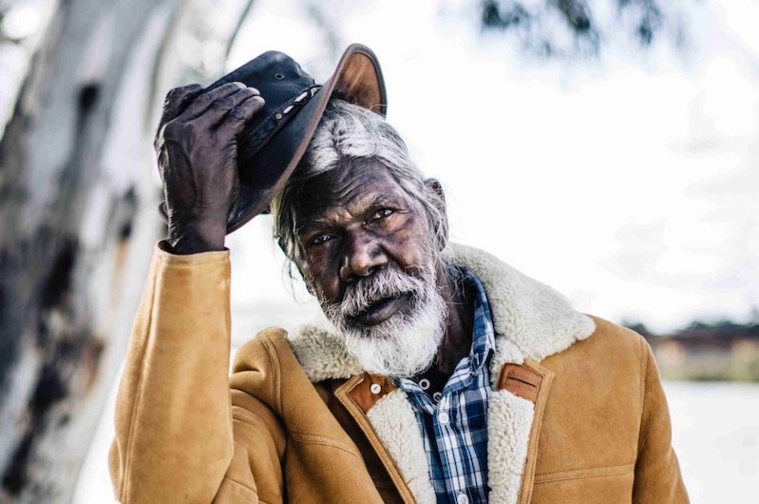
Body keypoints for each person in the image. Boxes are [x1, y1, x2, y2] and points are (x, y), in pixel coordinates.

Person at [109, 44, 689, 504]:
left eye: (382, 214)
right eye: (321, 238)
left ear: (435, 211)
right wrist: (194, 234)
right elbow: (162, 495)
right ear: (301, 269)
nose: (360, 257)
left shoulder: (617, 366)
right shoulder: (278, 391)